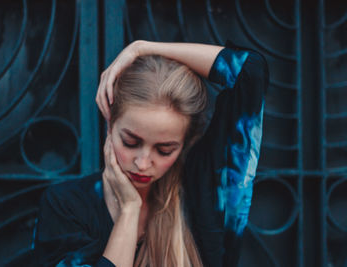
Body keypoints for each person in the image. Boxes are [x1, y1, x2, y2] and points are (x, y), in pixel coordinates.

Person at [33, 40, 268, 267]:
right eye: (130, 142)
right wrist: (129, 211)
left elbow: (249, 71)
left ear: (184, 143)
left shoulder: (202, 192)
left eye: (165, 150)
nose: (143, 163)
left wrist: (141, 48)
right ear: (110, 125)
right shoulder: (65, 206)